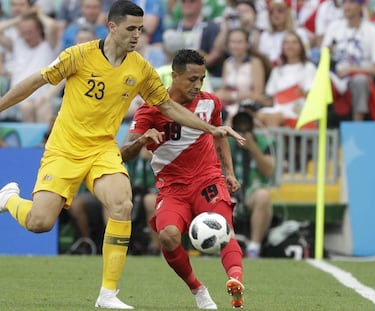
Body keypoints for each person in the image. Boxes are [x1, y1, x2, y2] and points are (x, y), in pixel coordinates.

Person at [0, 1, 244, 310]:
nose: (136, 35)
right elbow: (36, 81)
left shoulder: (140, 67)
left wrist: (211, 129)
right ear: (111, 26)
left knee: (122, 204)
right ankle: (9, 199)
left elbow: (168, 107)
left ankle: (108, 294)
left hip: (103, 149)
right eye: (130, 28)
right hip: (64, 148)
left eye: (140, 30)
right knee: (39, 222)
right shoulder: (79, 55)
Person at [121, 49, 245, 309]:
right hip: (172, 188)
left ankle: (236, 280)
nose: (197, 85)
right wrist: (143, 139)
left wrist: (229, 172)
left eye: (201, 78)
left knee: (223, 226)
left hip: (207, 180)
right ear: (174, 76)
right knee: (167, 236)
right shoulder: (151, 110)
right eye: (191, 79)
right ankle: (197, 289)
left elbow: (219, 135)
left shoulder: (210, 102)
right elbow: (124, 153)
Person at [229, 108, 276, 258]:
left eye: (246, 120)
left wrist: (252, 147)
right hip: (228, 190)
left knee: (263, 196)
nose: (243, 125)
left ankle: (254, 247)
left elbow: (268, 170)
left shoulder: (264, 142)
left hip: (251, 192)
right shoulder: (227, 141)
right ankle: (224, 245)